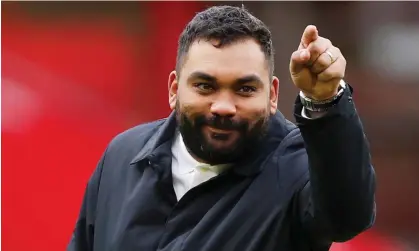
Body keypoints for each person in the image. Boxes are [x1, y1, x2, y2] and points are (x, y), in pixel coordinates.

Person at [68, 5, 376, 251]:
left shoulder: (297, 168)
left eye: (244, 89)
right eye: (205, 86)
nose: (224, 107)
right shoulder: (123, 156)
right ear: (175, 89)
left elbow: (345, 219)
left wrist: (324, 100)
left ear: (272, 95)